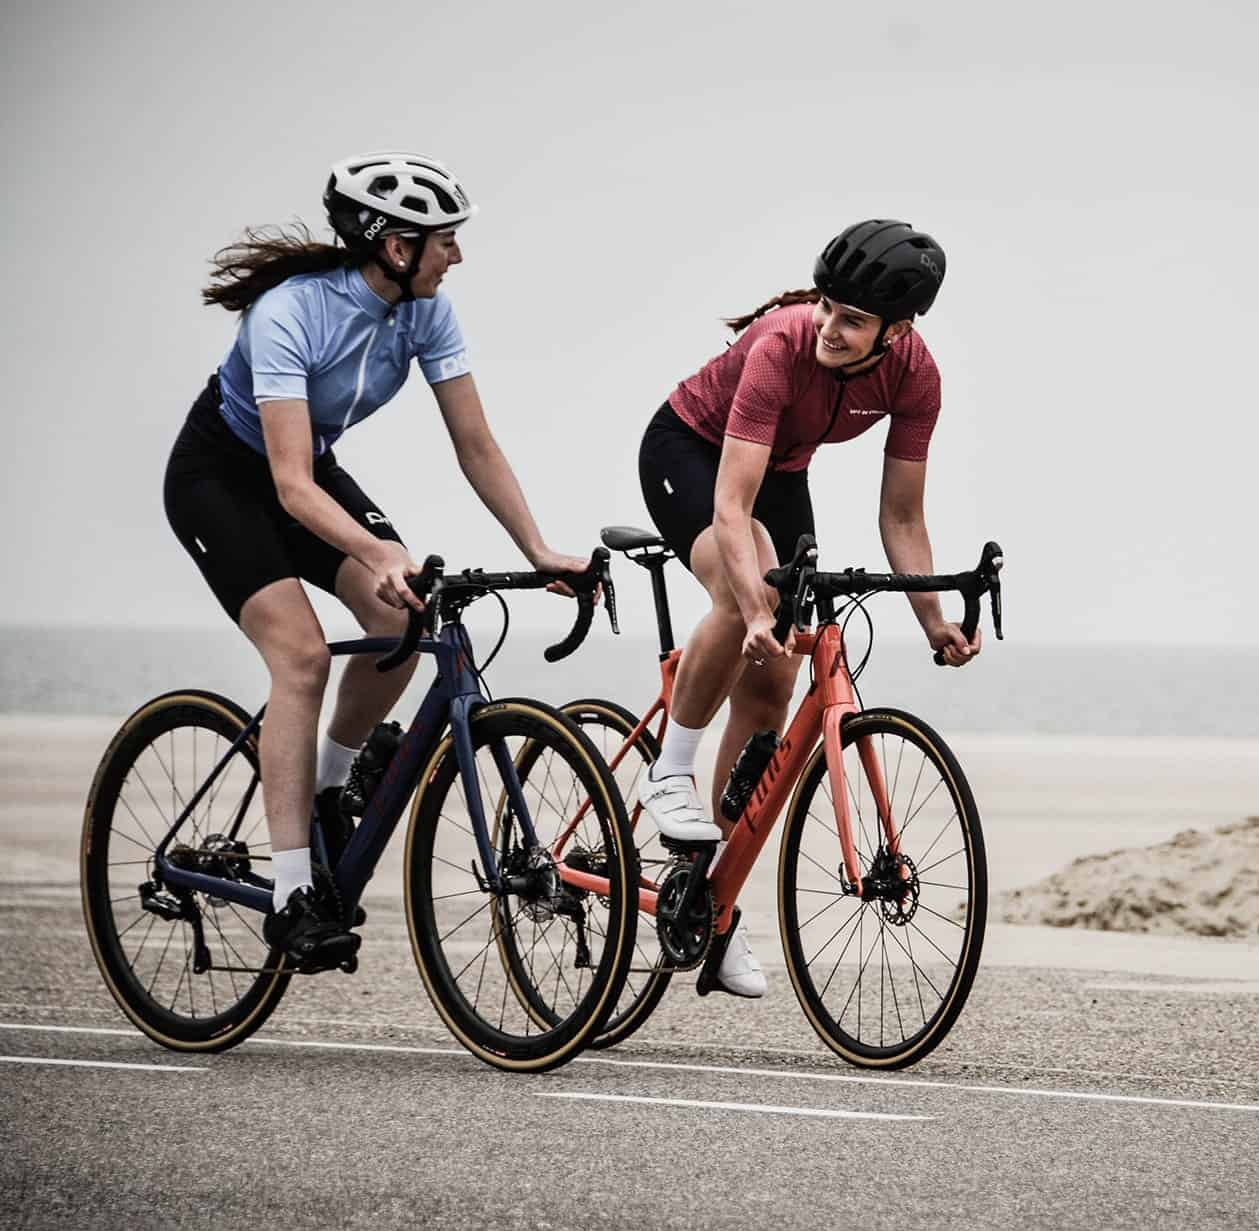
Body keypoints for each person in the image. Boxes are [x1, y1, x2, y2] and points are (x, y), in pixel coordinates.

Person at [164, 152, 590, 970]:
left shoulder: (427, 312)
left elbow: (475, 443)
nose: (457, 255)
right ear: (397, 247)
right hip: (221, 480)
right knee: (302, 658)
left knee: (403, 614)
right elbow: (290, 486)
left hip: (306, 473)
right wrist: (375, 547)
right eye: (445, 241)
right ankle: (293, 894)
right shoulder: (289, 313)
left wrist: (537, 550)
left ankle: (330, 786)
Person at [636, 218, 980, 998]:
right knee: (745, 592)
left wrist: (934, 621)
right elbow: (732, 508)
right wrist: (755, 608)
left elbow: (903, 518)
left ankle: (716, 909)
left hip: (782, 472)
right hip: (689, 451)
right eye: (826, 306)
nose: (828, 326)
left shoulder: (916, 378)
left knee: (774, 685)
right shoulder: (780, 345)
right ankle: (670, 769)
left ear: (897, 332)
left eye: (851, 319)